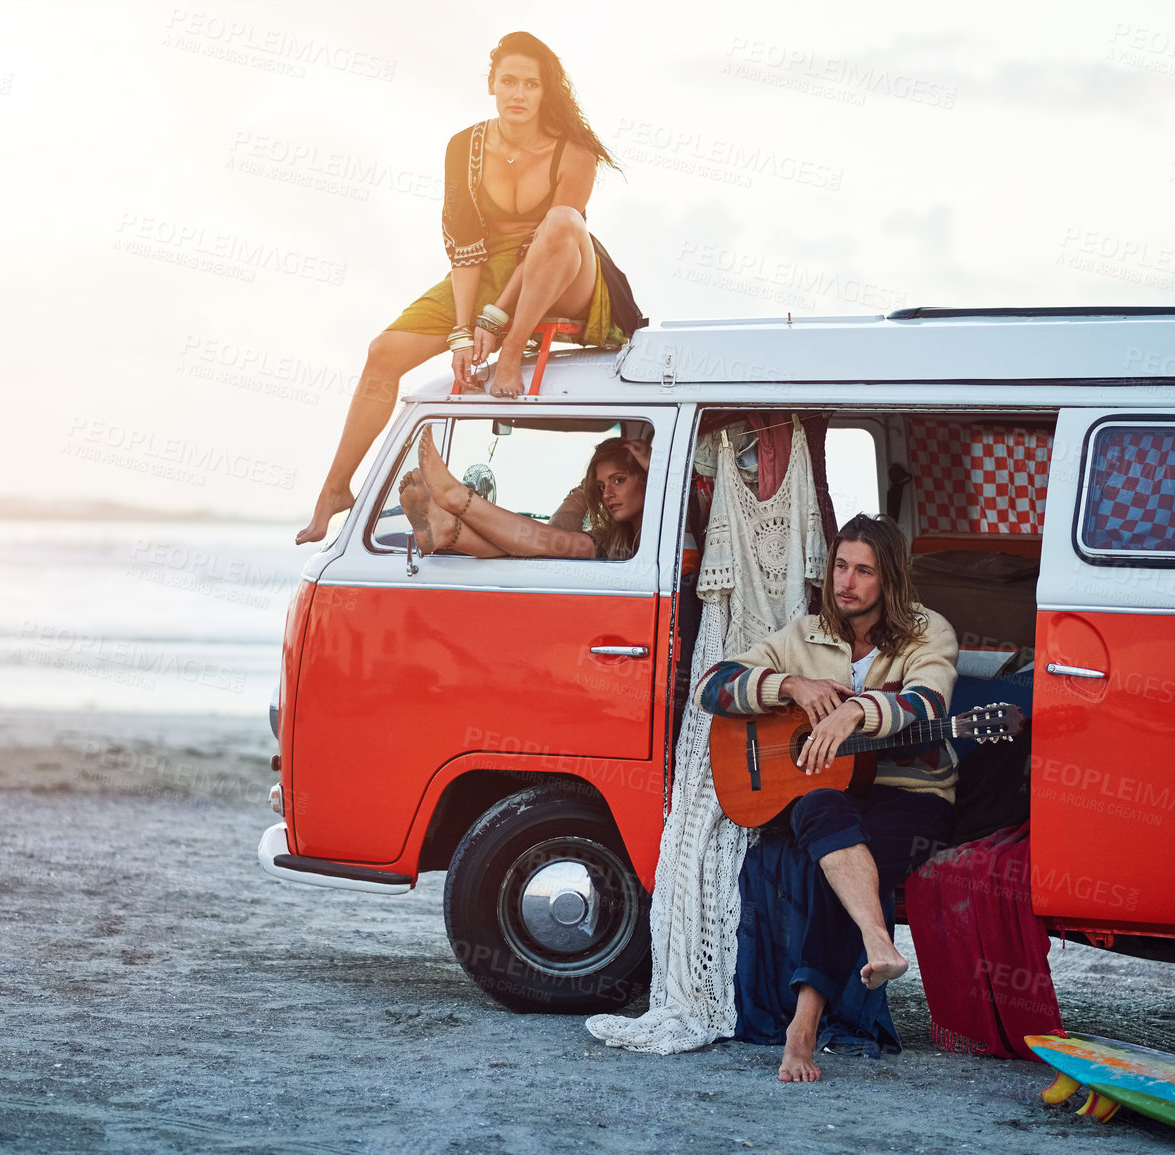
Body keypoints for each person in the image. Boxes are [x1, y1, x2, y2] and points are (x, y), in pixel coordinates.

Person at [295, 31, 646, 546]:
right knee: (382, 352)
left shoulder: (576, 153)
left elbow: (557, 234)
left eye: (531, 83)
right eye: (508, 81)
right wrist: (463, 332)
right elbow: (464, 247)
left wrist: (498, 326)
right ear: (491, 85)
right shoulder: (465, 147)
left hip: (564, 270)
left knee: (564, 221)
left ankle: (509, 355)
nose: (518, 93)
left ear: (546, 91)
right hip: (484, 270)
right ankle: (335, 489)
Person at [695, 514, 959, 1082]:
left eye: (864, 571)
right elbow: (711, 686)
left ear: (889, 579)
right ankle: (874, 940)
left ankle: (802, 1028)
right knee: (818, 807)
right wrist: (790, 685)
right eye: (841, 566)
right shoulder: (804, 634)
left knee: (824, 868)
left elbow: (929, 702)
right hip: (832, 796)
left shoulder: (927, 631)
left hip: (911, 797)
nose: (847, 582)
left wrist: (857, 710)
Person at [400, 430, 648, 560]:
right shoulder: (618, 536)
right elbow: (558, 533)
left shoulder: (674, 533)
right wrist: (586, 489)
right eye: (602, 487)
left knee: (562, 545)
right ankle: (446, 529)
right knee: (549, 545)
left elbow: (560, 541)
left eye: (619, 480)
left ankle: (455, 500)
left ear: (647, 477)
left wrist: (657, 466)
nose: (608, 495)